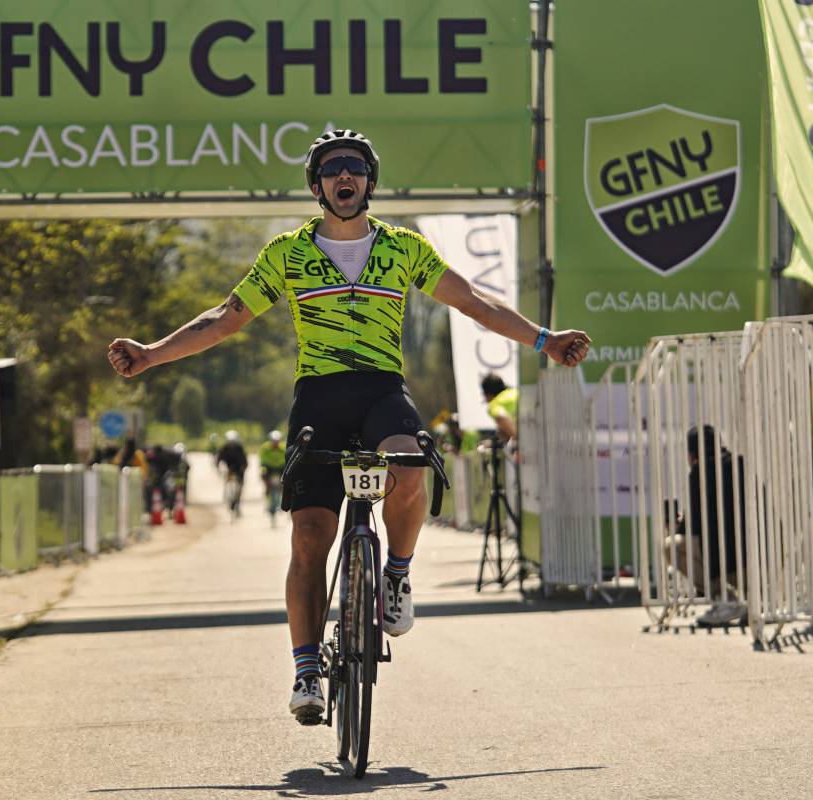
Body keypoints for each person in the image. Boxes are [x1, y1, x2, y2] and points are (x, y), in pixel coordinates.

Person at [106, 128, 590, 722]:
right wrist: (152, 354)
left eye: (355, 168)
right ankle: (307, 670)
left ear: (369, 182)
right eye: (333, 168)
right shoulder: (287, 253)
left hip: (382, 391)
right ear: (316, 186)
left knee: (411, 462)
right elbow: (223, 319)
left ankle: (397, 576)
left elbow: (474, 302)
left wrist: (546, 339)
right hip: (318, 398)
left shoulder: (404, 248)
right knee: (310, 537)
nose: (345, 176)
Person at [666, 425, 747, 627]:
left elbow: (692, 528)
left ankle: (725, 600)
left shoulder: (700, 474)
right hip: (763, 563)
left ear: (692, 454)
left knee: (672, 546)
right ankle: (761, 599)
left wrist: (677, 525)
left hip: (731, 567)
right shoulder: (740, 464)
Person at [215, 430, 248, 516]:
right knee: (228, 481)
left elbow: (244, 460)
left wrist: (243, 468)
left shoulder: (239, 448)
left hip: (238, 469)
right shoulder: (224, 448)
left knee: (240, 486)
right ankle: (228, 497)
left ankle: (237, 502)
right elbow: (219, 458)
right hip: (229, 468)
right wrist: (219, 468)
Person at [481, 373, 519, 445]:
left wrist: (516, 436)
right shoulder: (515, 392)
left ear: (487, 394)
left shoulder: (494, 404)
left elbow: (501, 416)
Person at [259, 430, 288, 517]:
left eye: (277, 441)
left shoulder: (283, 448)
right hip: (269, 467)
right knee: (267, 483)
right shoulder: (265, 448)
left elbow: (286, 458)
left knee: (283, 484)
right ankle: (268, 499)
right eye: (274, 441)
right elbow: (262, 458)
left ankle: (282, 500)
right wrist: (264, 467)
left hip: (279, 468)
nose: (275, 443)